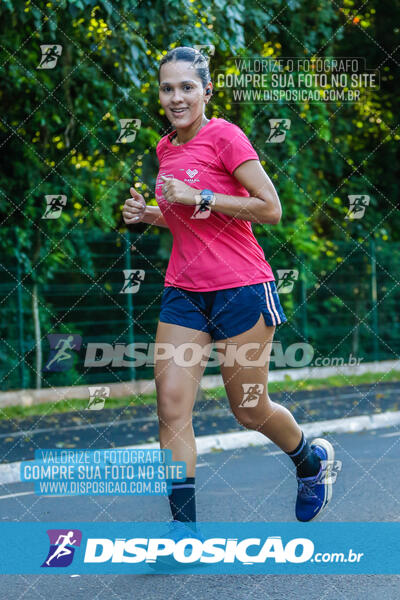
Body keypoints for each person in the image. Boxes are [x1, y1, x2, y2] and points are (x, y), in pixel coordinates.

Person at [122, 47, 337, 540]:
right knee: (171, 407)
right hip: (184, 291)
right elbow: (189, 223)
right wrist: (151, 214)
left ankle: (310, 461)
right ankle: (183, 536)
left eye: (186, 87)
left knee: (249, 409)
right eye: (167, 88)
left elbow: (270, 208)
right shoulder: (165, 149)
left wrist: (198, 195)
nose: (176, 97)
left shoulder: (225, 136)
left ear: (206, 91)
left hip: (241, 289)